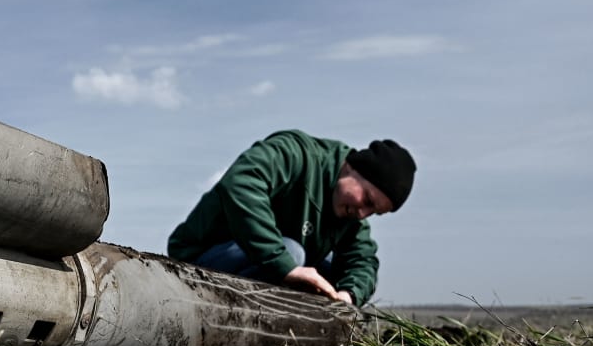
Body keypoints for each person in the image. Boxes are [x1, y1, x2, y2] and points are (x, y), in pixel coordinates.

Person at [167, 130, 415, 307]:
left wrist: (347, 296)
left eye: (374, 212)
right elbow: (242, 182)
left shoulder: (352, 214)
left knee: (328, 277)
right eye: (368, 200)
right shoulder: (297, 154)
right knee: (293, 253)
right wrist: (286, 266)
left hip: (260, 266)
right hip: (197, 260)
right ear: (352, 168)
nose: (363, 213)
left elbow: (363, 260)